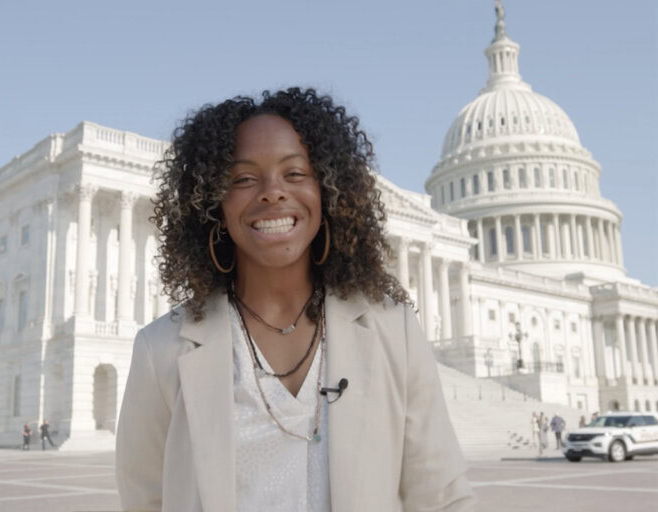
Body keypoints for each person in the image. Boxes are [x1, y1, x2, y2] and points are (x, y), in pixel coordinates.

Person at [115, 88, 477, 511]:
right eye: (244, 178)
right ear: (213, 202)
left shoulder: (393, 330)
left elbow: (442, 498)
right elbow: (145, 501)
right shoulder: (162, 350)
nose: (272, 192)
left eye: (296, 173)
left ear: (329, 193)